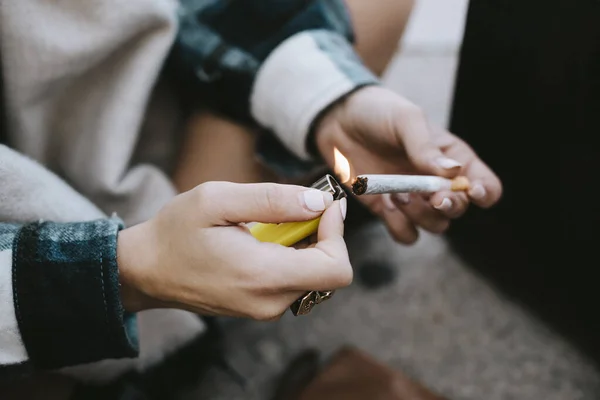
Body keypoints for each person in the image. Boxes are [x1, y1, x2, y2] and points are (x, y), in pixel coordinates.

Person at [0, 0, 501, 394]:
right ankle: (153, 345)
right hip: (36, 282)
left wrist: (329, 102)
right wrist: (128, 270)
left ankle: (209, 270)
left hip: (130, 120)